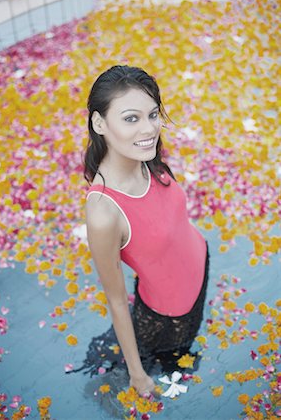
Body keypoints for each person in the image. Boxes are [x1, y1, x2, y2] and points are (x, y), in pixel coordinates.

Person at [84, 65, 210, 396]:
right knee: (169, 371)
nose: (149, 128)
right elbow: (115, 298)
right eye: (131, 118)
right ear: (100, 123)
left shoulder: (145, 157)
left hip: (198, 275)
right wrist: (137, 376)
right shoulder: (104, 212)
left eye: (153, 114)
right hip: (169, 319)